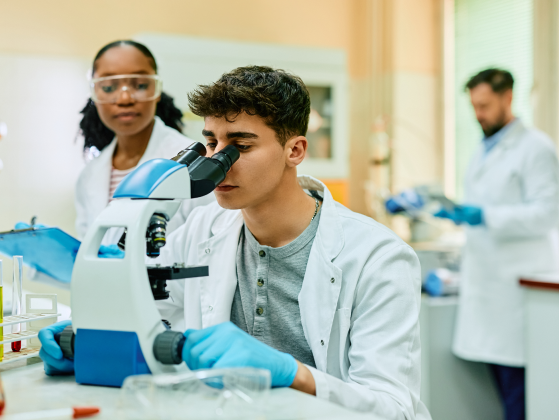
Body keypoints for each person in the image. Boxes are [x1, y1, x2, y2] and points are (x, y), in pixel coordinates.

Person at [39, 66, 431, 419]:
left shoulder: (378, 257)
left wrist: (293, 373)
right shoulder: (204, 227)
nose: (217, 162)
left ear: (294, 150)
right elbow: (142, 307)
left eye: (240, 147)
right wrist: (87, 339)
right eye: (211, 144)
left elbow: (393, 408)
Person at [435, 68, 559, 420]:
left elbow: (548, 215)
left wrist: (486, 216)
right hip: (489, 287)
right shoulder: (484, 148)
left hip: (517, 289)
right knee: (504, 390)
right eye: (474, 106)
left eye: (485, 105)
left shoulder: (536, 148)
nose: (479, 114)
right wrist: (458, 213)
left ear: (508, 98)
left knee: (520, 392)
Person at [76, 40, 213, 245]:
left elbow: (211, 247)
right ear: (95, 94)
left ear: (157, 90)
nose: (124, 99)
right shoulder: (89, 176)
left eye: (140, 85)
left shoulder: (195, 164)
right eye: (108, 87)